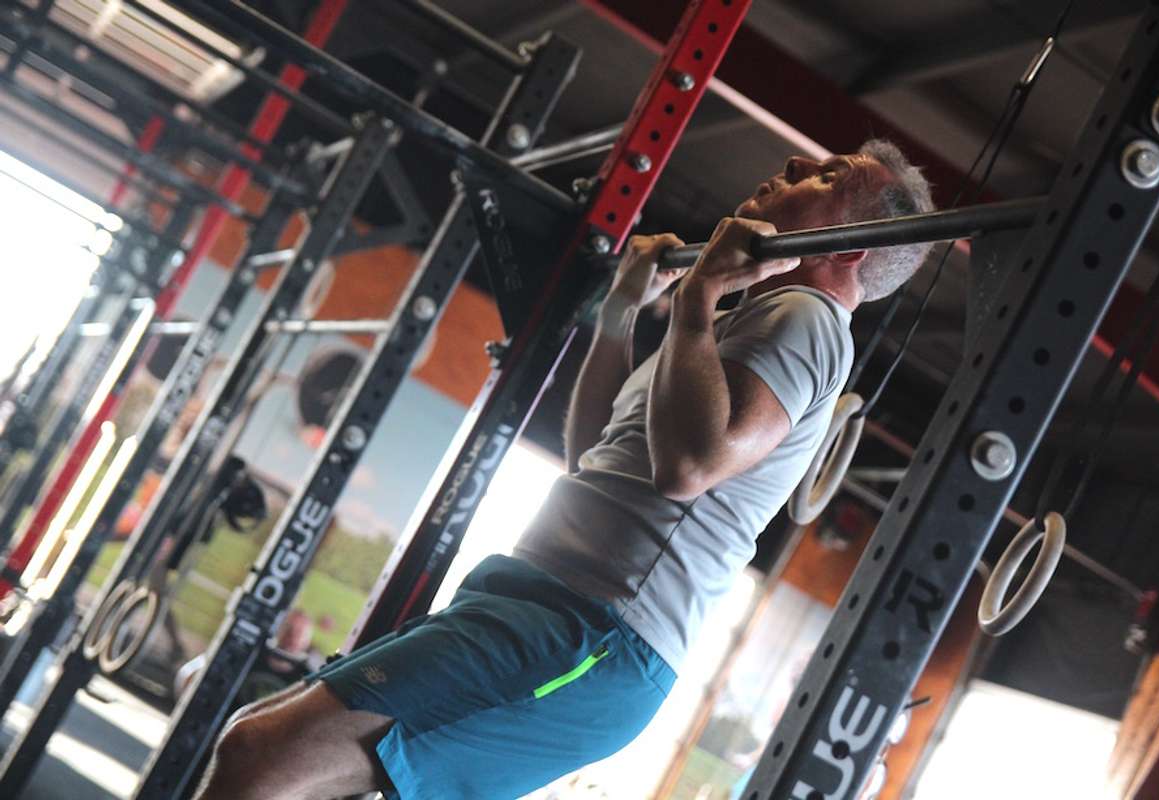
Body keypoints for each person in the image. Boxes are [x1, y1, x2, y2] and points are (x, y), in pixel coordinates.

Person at [193, 140, 934, 800]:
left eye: (827, 176)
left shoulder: (806, 319)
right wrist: (620, 314)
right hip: (552, 607)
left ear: (849, 250)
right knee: (263, 745)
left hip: (593, 633)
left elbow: (689, 467)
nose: (794, 164)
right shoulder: (743, 328)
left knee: (259, 754)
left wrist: (699, 293)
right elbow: (596, 457)